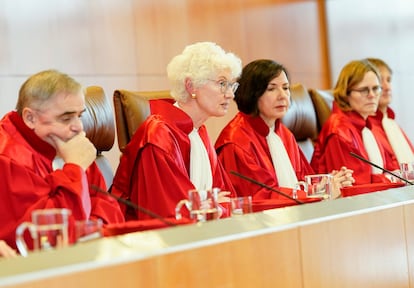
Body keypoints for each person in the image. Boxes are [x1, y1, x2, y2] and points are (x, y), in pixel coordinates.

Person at [111, 42, 242, 220]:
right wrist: (213, 206)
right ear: (191, 86)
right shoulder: (158, 135)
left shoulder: (199, 132)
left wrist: (213, 206)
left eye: (231, 86)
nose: (230, 94)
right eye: (222, 84)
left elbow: (229, 199)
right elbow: (171, 213)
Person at [0, 70, 124, 250]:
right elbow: (43, 238)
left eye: (79, 115)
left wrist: (84, 231)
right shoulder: (8, 158)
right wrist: (74, 168)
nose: (78, 127)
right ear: (30, 118)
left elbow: (110, 210)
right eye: (66, 118)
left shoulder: (71, 143)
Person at [215, 59, 354, 200]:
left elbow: (303, 182)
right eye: (271, 89)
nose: (282, 96)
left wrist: (330, 183)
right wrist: (318, 193)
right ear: (252, 94)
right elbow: (260, 197)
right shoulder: (236, 141)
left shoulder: (283, 133)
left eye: (286, 88)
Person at [311, 59, 392, 185]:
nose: (372, 95)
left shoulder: (367, 125)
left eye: (376, 88)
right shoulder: (340, 131)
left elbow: (387, 169)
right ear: (346, 93)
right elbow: (353, 187)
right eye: (364, 90)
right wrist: (390, 179)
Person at [366, 58, 413, 172]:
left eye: (389, 80)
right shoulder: (366, 128)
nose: (388, 87)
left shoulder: (390, 122)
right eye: (380, 81)